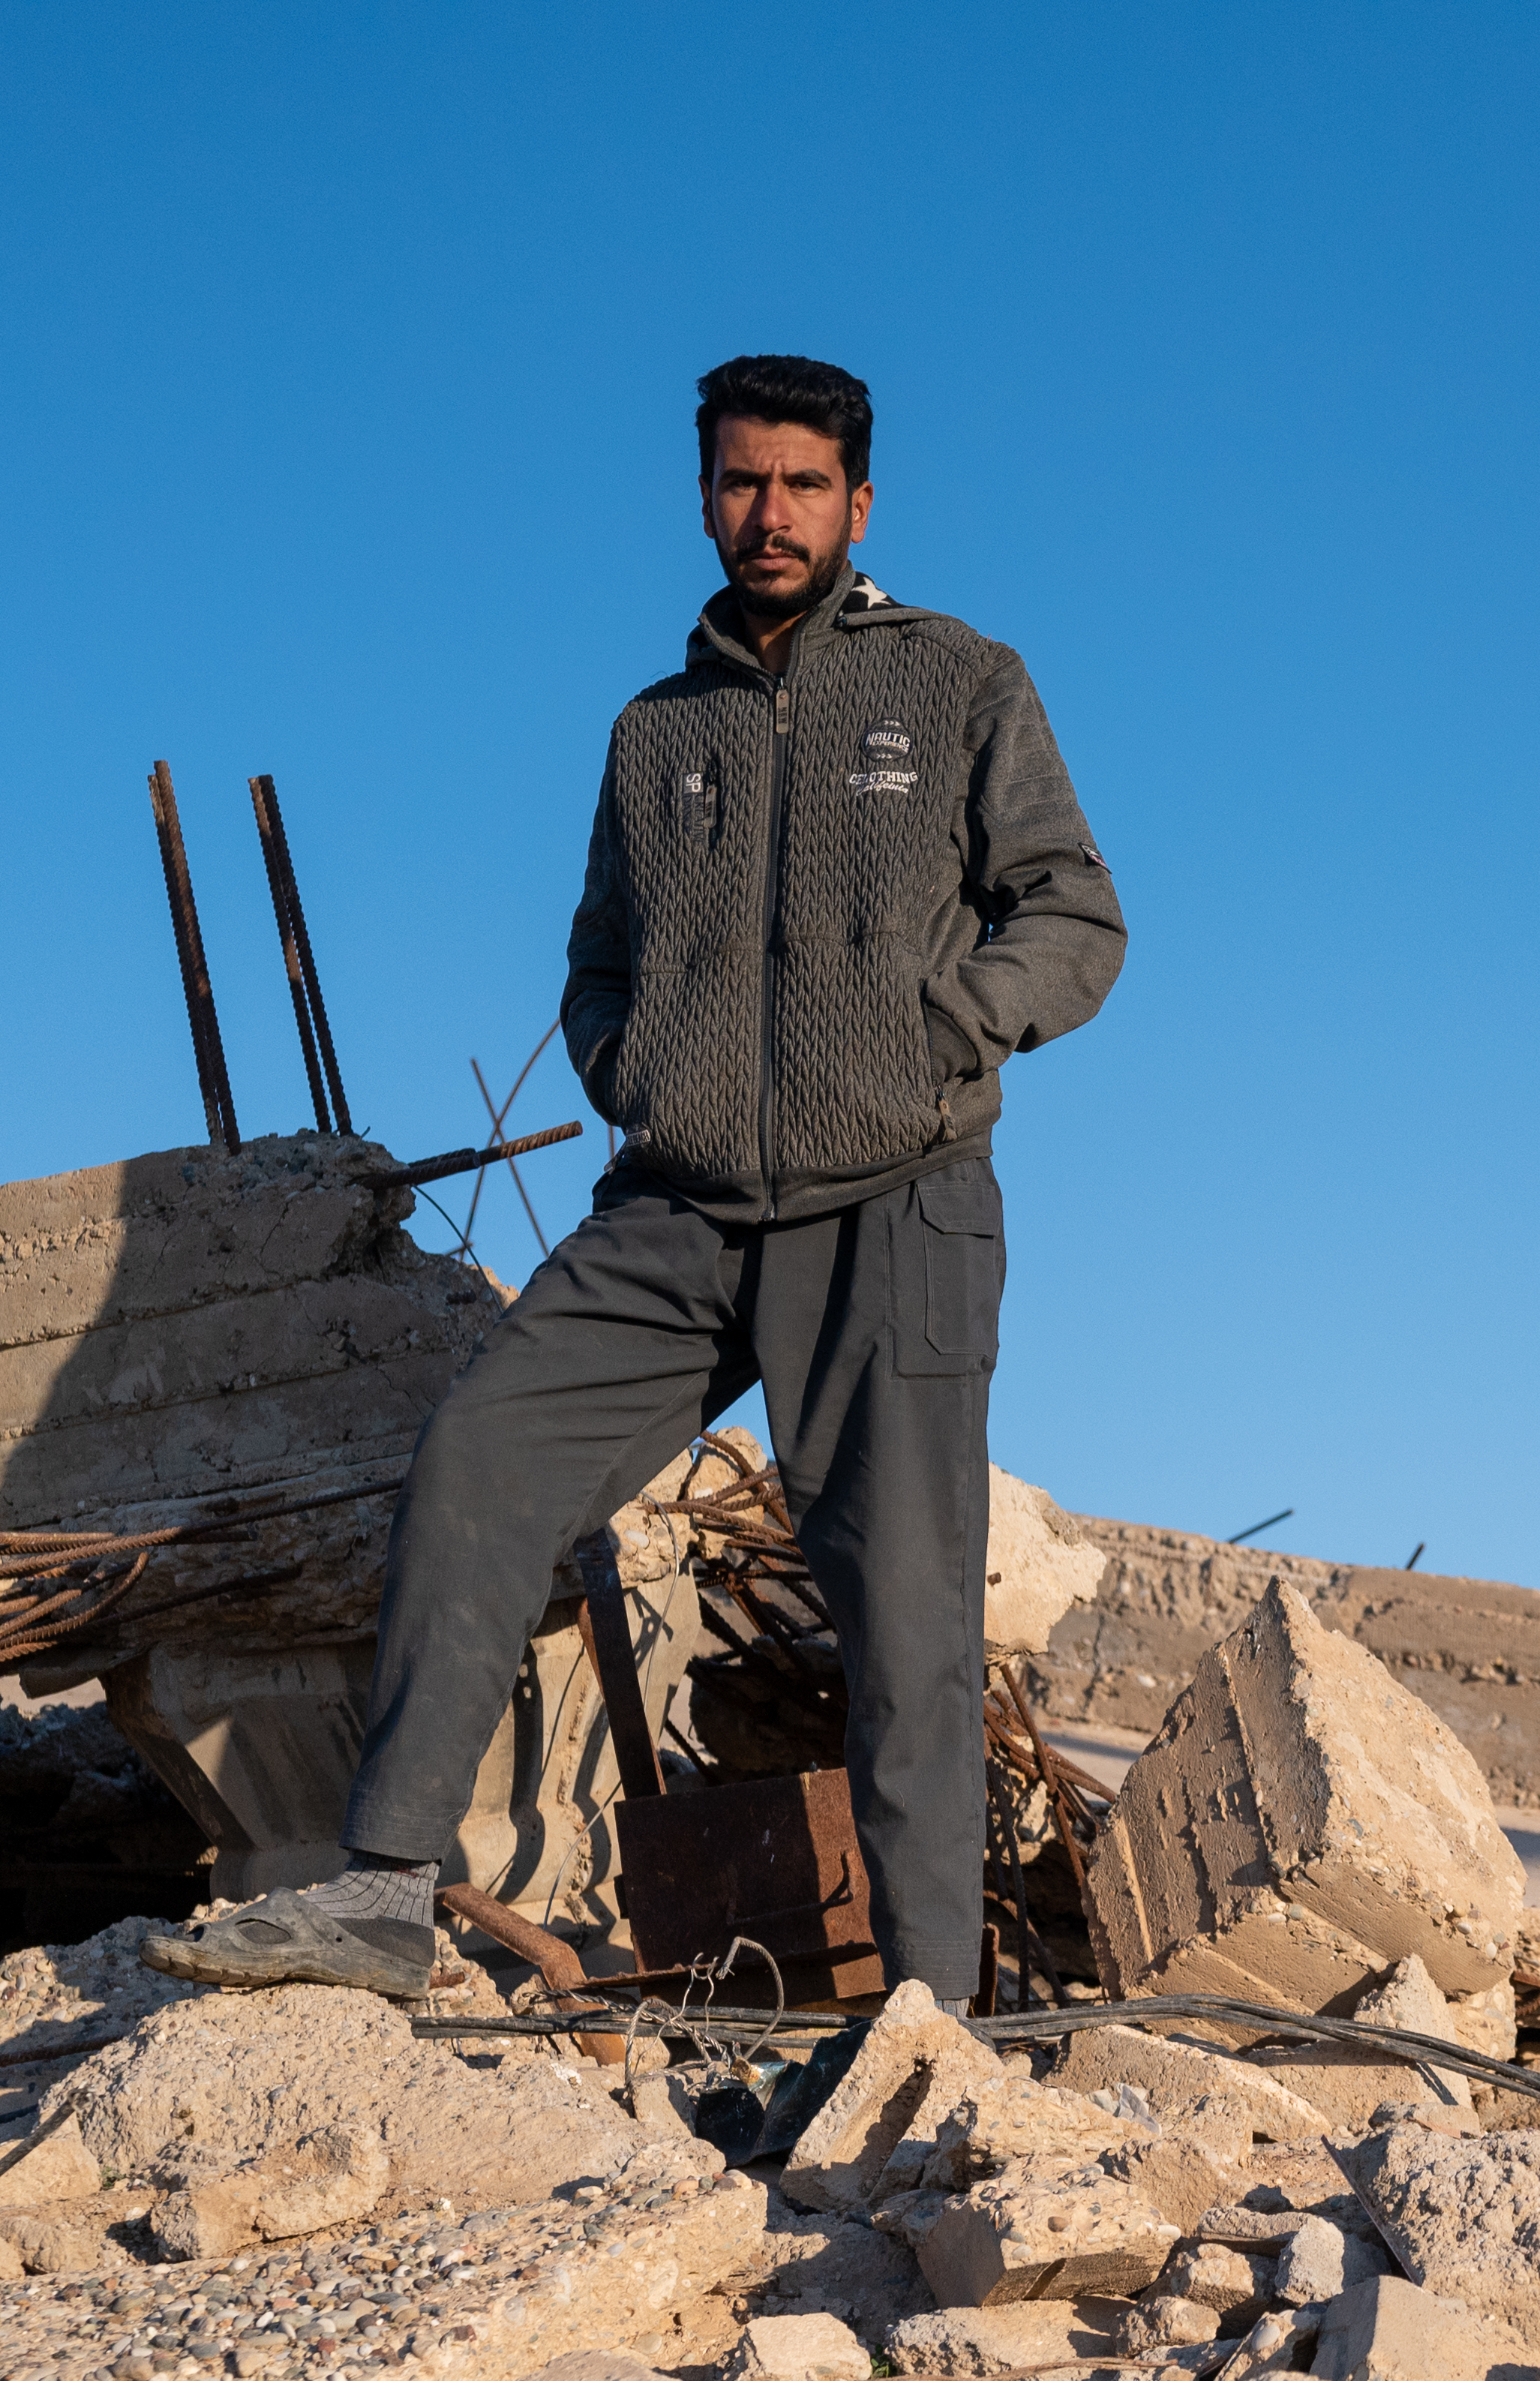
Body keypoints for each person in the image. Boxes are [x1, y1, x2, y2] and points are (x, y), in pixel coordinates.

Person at [150, 352, 1124, 2007]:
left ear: (860, 504)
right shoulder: (653, 730)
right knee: (478, 1456)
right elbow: (598, 962)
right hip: (675, 1208)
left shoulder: (962, 680)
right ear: (704, 496)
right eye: (743, 482)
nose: (771, 513)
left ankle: (931, 2018)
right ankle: (383, 1891)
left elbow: (1077, 917)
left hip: (891, 1202)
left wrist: (943, 1032)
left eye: (804, 485)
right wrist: (635, 1071)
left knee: (904, 1616)